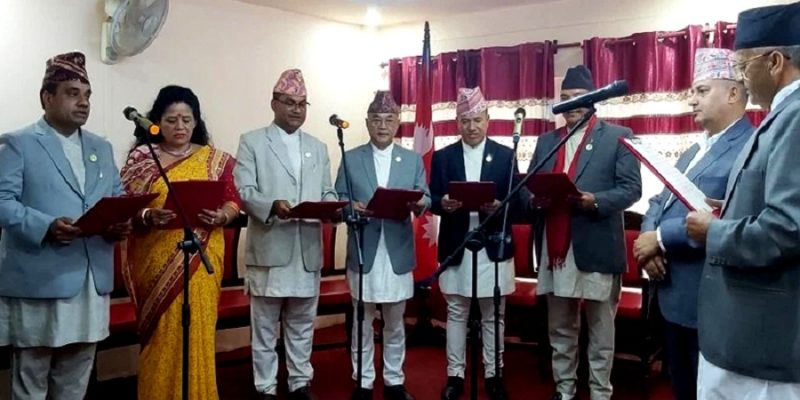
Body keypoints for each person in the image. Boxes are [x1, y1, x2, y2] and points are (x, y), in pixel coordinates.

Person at [0, 51, 130, 400]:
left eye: (87, 95)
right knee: (31, 379)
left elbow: (116, 197)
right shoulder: (18, 143)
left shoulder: (101, 147)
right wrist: (47, 226)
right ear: (47, 97)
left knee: (75, 381)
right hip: (41, 277)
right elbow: (2, 201)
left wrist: (118, 223)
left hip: (90, 280)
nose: (83, 102)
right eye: (73, 93)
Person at [686, 3, 800, 399]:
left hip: (763, 340)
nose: (742, 79)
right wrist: (728, 208)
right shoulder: (781, 115)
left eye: (743, 66)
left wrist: (713, 231)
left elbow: (787, 228)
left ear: (774, 62)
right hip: (747, 333)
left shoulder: (795, 118)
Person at [635, 48, 753, 400]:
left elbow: (729, 218)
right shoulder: (692, 150)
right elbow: (659, 201)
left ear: (733, 93)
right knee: (682, 387)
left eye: (702, 91)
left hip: (709, 299)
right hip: (672, 293)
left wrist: (660, 238)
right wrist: (648, 238)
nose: (691, 100)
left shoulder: (748, 147)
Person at [120, 85, 241, 400]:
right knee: (163, 335)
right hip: (155, 261)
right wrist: (147, 215)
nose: (180, 127)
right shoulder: (142, 160)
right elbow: (124, 206)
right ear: (157, 121)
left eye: (187, 120)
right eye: (171, 120)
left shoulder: (214, 159)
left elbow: (233, 199)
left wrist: (223, 216)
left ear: (196, 122)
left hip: (201, 257)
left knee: (198, 331)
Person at [529, 65, 641, 400]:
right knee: (560, 326)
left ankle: (599, 393)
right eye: (565, 98)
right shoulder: (547, 141)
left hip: (597, 242)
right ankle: (564, 389)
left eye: (579, 98)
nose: (572, 105)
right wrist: (535, 199)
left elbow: (631, 189)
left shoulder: (618, 135)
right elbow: (528, 185)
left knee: (601, 329)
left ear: (594, 100)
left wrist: (595, 201)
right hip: (555, 246)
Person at [235, 69, 337, 400]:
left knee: (302, 324)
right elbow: (244, 191)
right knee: (265, 326)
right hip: (270, 247)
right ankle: (265, 387)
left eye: (302, 103)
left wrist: (333, 208)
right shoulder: (252, 141)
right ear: (274, 104)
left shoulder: (318, 147)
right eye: (289, 102)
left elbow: (327, 191)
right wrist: (271, 205)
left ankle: (299, 383)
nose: (296, 109)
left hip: (307, 250)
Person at [335, 90, 430, 400]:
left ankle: (394, 381)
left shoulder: (412, 159)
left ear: (398, 122)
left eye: (389, 119)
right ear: (367, 123)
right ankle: (362, 381)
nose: (383, 125)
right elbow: (338, 198)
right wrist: (351, 206)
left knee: (394, 321)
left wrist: (418, 204)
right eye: (376, 120)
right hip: (364, 247)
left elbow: (426, 196)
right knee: (362, 320)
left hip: (397, 250)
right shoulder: (351, 158)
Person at [431, 87, 520, 400]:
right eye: (465, 121)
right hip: (457, 244)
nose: (471, 126)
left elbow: (518, 202)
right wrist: (443, 203)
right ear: (457, 122)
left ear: (488, 120)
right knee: (456, 312)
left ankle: (494, 374)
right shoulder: (443, 157)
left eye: (477, 120)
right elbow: (431, 198)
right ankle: (455, 375)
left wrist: (500, 206)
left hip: (493, 245)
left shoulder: (506, 155)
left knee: (493, 314)